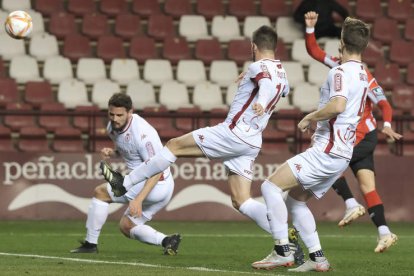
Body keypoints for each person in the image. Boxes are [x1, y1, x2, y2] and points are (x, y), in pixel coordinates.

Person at [100, 26, 290, 243]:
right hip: (253, 140)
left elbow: (265, 84)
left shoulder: (258, 67)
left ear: (253, 46)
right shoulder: (282, 72)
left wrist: (261, 101)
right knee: (242, 200)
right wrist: (250, 77)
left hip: (234, 133)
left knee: (173, 146)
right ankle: (285, 239)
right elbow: (280, 88)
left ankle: (125, 183)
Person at [251, 17, 371, 272]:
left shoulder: (340, 71)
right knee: (296, 202)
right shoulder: (364, 73)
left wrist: (310, 117)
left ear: (341, 42)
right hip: (341, 153)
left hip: (327, 151)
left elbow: (337, 105)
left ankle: (282, 250)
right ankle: (318, 258)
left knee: (270, 186)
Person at [304, 11, 401, 253]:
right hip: (362, 137)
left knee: (325, 158)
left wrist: (387, 124)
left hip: (358, 136)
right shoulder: (339, 65)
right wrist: (309, 29)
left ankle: (349, 203)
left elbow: (385, 104)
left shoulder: (364, 76)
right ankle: (384, 232)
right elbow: (315, 52)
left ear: (344, 43)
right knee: (368, 187)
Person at [71, 93, 181, 255]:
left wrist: (139, 199)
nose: (115, 118)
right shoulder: (112, 128)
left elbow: (156, 170)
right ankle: (167, 241)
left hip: (156, 183)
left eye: (119, 115)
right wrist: (114, 152)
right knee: (126, 226)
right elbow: (129, 150)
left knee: (101, 193)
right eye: (111, 114)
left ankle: (90, 244)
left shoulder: (144, 134)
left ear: (130, 112)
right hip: (160, 186)